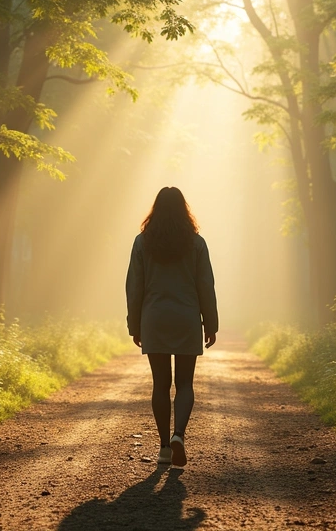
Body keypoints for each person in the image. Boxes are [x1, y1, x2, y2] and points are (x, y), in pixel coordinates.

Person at [125, 187, 218, 468]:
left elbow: (134, 287)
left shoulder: (142, 243)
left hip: (154, 318)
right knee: (185, 383)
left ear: (155, 211)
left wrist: (134, 324)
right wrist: (210, 323)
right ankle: (179, 434)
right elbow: (206, 286)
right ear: (184, 211)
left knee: (161, 385)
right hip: (187, 319)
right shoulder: (197, 244)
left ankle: (164, 447)